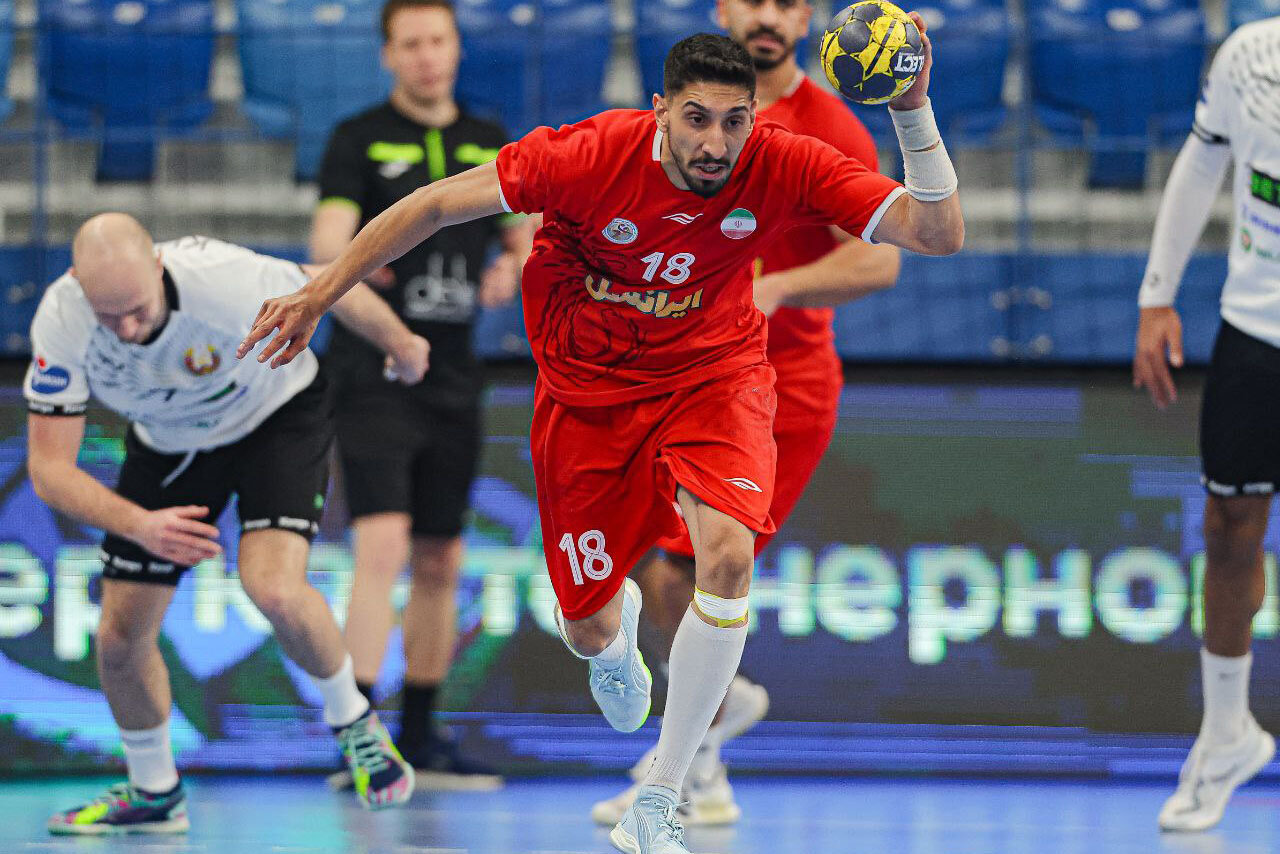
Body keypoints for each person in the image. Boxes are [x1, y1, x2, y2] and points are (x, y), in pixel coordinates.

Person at [241, 27, 961, 854]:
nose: (715, 142)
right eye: (696, 119)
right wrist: (322, 293)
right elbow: (435, 204)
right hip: (587, 401)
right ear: (660, 112)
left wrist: (912, 109)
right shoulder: (590, 154)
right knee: (586, 625)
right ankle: (607, 637)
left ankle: (662, 796)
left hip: (713, 377)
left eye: (734, 122)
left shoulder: (781, 160)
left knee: (723, 557)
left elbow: (935, 234)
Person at [591, 0, 902, 827]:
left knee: (699, 566)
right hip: (682, 373)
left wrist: (775, 288)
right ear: (724, 9)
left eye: (787, 3)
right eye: (752, 0)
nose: (768, 16)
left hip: (784, 384)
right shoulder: (688, 117)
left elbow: (881, 264)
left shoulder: (830, 124)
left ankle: (682, 763)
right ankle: (716, 733)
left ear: (808, 18)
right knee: (659, 572)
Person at [31, 214, 429, 835]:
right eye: (110, 317)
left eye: (137, 309)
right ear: (78, 283)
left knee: (271, 586)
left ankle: (356, 724)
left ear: (158, 269)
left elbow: (327, 282)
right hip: (171, 442)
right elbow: (49, 471)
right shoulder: (60, 320)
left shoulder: (222, 276)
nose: (129, 331)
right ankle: (155, 793)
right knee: (119, 634)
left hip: (276, 412)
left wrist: (402, 345)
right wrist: (140, 525)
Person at [310, 0, 526, 788]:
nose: (428, 56)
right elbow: (326, 245)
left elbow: (524, 231)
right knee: (383, 546)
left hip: (456, 374)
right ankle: (358, 735)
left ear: (456, 48)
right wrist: (356, 261)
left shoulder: (487, 137)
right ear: (388, 56)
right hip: (373, 371)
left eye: (439, 41)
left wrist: (513, 263)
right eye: (412, 44)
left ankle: (423, 736)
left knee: (443, 555)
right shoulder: (358, 138)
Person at [1133, 16, 1280, 834]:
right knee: (1228, 530)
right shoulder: (1250, 54)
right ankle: (1225, 735)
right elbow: (1202, 161)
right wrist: (1158, 292)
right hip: (1257, 330)